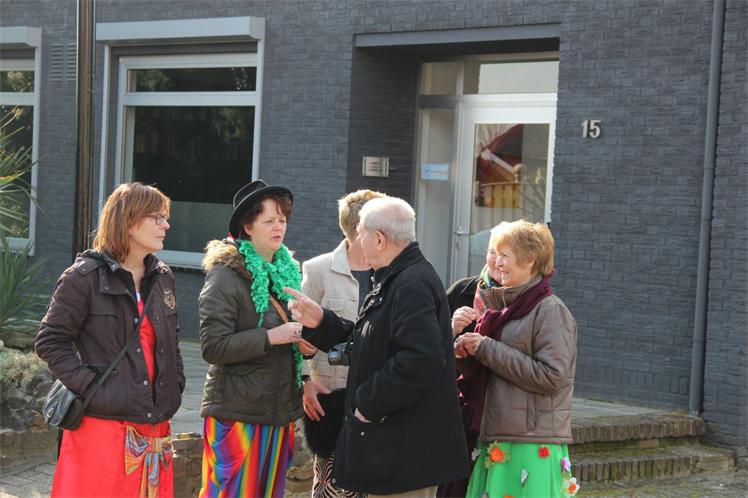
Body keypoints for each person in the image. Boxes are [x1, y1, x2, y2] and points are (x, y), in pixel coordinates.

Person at [286, 196, 470, 498]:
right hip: (398, 451)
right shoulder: (397, 278)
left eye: (361, 234)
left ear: (380, 239)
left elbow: (420, 360)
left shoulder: (410, 284)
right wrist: (321, 321)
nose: (357, 241)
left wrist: (366, 403)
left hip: (406, 455)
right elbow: (370, 342)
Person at [35, 182, 185, 498]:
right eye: (157, 217)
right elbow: (50, 341)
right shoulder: (84, 277)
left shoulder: (163, 278)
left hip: (155, 428)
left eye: (165, 218)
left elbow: (171, 340)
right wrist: (91, 387)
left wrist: (176, 383)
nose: (166, 225)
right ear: (130, 222)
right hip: (102, 431)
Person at [454, 220, 579, 498]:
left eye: (504, 255)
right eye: (494, 254)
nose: (496, 263)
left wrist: (486, 348)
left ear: (530, 260)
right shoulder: (503, 308)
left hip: (529, 444)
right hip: (498, 437)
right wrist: (466, 355)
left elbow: (552, 376)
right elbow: (496, 369)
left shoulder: (550, 311)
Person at [198, 180, 306, 498]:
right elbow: (212, 346)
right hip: (237, 414)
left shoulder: (287, 272)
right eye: (269, 220)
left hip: (276, 411)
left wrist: (306, 346)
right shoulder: (225, 274)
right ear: (248, 227)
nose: (278, 227)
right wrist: (271, 336)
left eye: (282, 219)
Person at [300, 189, 385, 498]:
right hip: (332, 400)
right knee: (332, 487)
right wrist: (304, 382)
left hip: (377, 397)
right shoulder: (318, 269)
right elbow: (298, 334)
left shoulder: (391, 271)